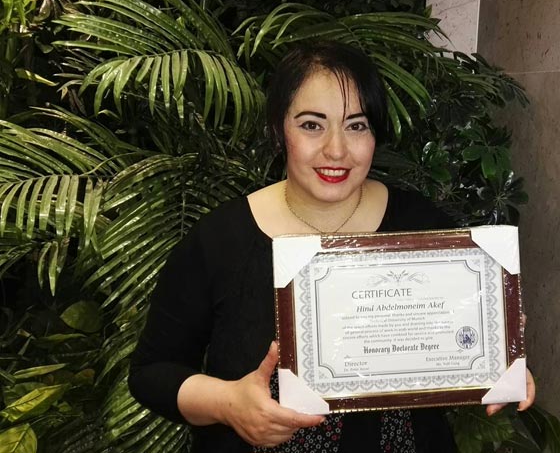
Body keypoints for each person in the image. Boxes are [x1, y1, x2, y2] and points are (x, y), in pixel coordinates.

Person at [128, 41, 535, 452]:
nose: (336, 150)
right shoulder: (221, 239)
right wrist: (229, 403)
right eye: (311, 125)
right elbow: (151, 372)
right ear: (278, 129)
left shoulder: (420, 225)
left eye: (356, 126)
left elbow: (460, 337)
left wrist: (498, 355)